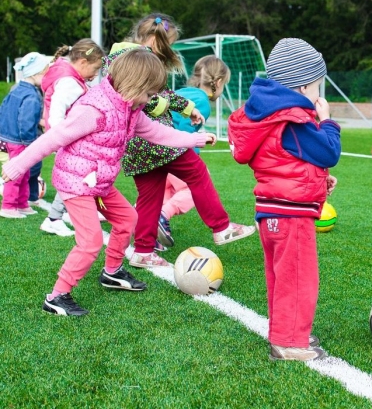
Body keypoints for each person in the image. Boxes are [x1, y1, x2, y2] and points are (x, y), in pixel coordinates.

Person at [1, 49, 217, 316]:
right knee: (90, 241)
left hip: (99, 183)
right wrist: (17, 165)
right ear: (134, 85)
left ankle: (112, 272)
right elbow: (53, 138)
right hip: (76, 183)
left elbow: (155, 132)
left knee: (128, 219)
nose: (152, 100)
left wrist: (194, 139)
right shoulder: (93, 109)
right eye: (150, 94)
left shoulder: (131, 107)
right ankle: (57, 296)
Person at [103, 13, 255, 268]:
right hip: (154, 139)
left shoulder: (121, 55)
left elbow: (161, 93)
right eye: (167, 44)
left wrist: (187, 109)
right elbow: (145, 98)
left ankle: (142, 251)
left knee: (150, 195)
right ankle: (221, 227)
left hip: (135, 146)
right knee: (196, 172)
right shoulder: (136, 59)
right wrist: (168, 108)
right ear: (154, 39)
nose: (168, 50)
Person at [228, 38, 341, 361]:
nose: (319, 94)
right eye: (318, 86)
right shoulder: (292, 119)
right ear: (303, 86)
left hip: (272, 211)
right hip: (291, 216)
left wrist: (319, 181)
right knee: (297, 278)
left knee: (281, 277)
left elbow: (285, 160)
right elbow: (328, 151)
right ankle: (289, 342)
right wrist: (328, 121)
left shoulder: (269, 116)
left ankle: (286, 331)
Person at [157, 55, 231, 248]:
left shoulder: (183, 92)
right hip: (173, 152)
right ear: (219, 82)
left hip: (155, 149)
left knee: (162, 192)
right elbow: (183, 131)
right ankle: (163, 216)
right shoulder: (203, 103)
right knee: (194, 188)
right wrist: (196, 142)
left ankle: (143, 224)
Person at [39, 39, 105, 237]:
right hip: (67, 139)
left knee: (78, 176)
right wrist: (63, 138)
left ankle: (63, 214)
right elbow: (57, 114)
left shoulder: (69, 76)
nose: (95, 76)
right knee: (75, 177)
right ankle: (53, 218)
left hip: (67, 138)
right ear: (83, 63)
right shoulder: (69, 83)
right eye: (95, 69)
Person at [0, 52, 51, 219]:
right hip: (20, 141)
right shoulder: (31, 96)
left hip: (10, 137)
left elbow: (3, 110)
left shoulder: (16, 90)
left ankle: (22, 203)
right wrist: (30, 142)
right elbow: (26, 121)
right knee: (17, 173)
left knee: (25, 172)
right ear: (36, 73)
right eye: (45, 74)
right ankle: (8, 206)